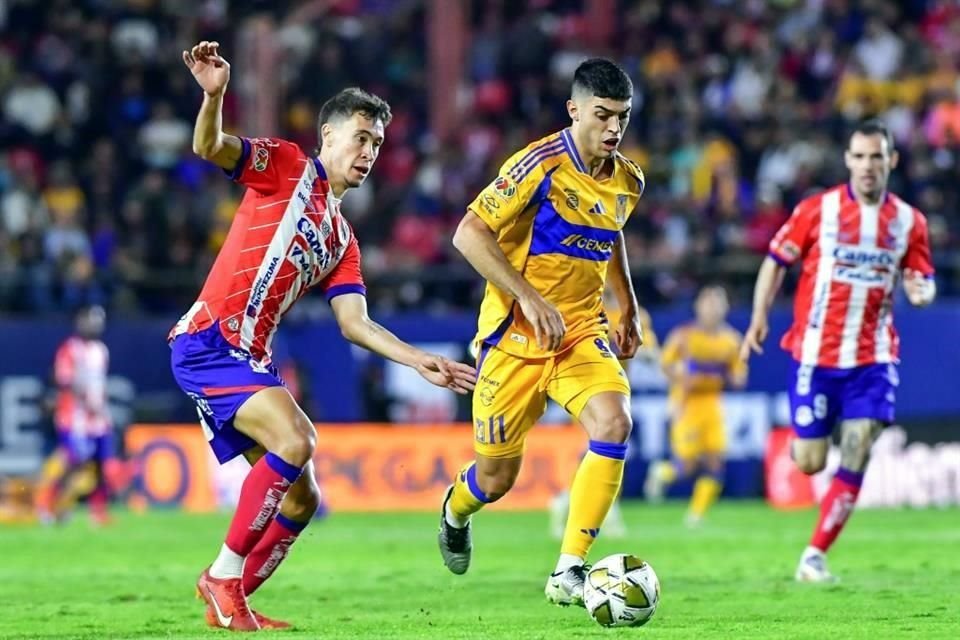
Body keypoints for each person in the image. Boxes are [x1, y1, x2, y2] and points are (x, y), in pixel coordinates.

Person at [171, 41, 476, 631]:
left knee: (302, 499)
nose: (369, 153)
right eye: (361, 138)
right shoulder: (286, 165)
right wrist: (214, 97)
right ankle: (222, 578)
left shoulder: (342, 238)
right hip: (210, 342)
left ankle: (229, 598)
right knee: (298, 438)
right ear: (328, 136)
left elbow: (354, 323)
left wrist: (419, 361)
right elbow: (209, 146)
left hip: (248, 359)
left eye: (378, 145)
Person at [436, 58, 646, 607]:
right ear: (574, 110)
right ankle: (455, 510)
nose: (613, 128)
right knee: (496, 479)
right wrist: (529, 298)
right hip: (512, 340)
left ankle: (568, 569)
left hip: (578, 330)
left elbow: (613, 230)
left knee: (615, 420)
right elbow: (468, 234)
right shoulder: (539, 163)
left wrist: (626, 301)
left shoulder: (628, 177)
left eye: (622, 117)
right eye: (602, 116)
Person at [740, 119, 936, 583]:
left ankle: (814, 554)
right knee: (811, 460)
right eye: (860, 156)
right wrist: (758, 318)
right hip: (816, 355)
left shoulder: (910, 222)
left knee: (860, 442)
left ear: (892, 160)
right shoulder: (817, 211)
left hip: (873, 358)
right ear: (848, 160)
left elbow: (922, 277)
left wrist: (923, 291)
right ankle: (805, 439)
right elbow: (775, 262)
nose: (868, 166)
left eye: (877, 157)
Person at [548, 293, 659, 540]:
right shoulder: (580, 304)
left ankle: (566, 501)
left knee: (603, 450)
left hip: (615, 390)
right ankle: (605, 512)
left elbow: (651, 352)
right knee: (605, 449)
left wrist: (641, 349)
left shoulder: (630, 309)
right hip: (583, 389)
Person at [644, 285, 746, 527]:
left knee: (715, 461)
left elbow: (740, 376)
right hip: (686, 404)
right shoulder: (684, 336)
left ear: (725, 308)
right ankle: (662, 472)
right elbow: (665, 364)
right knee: (687, 465)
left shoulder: (731, 340)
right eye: (708, 303)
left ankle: (696, 515)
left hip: (712, 404)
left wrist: (730, 376)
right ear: (698, 306)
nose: (712, 309)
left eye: (717, 303)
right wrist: (681, 376)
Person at [35, 305, 114, 526]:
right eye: (91, 321)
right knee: (73, 460)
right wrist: (88, 401)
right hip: (74, 416)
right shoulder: (69, 349)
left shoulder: (101, 350)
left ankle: (98, 512)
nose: (95, 326)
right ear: (80, 322)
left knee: (100, 463)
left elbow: (101, 383)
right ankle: (47, 502)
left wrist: (101, 405)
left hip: (99, 417)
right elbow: (64, 379)